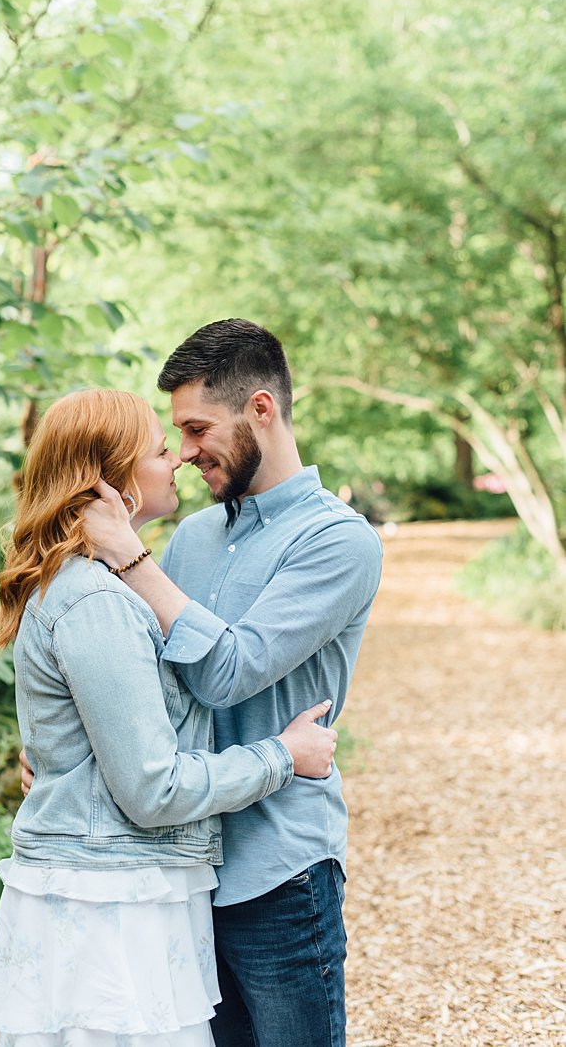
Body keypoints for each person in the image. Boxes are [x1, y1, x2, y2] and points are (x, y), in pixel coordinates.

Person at [0, 388, 338, 1047]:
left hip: (123, 888)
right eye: (159, 449)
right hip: (114, 902)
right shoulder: (97, 600)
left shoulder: (103, 585)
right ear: (110, 482)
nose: (175, 460)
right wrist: (284, 756)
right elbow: (153, 787)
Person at [73, 319, 384, 1046]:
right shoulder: (193, 538)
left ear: (261, 411)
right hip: (180, 868)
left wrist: (129, 558)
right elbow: (143, 676)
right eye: (177, 435)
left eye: (196, 428)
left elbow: (228, 672)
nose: (182, 454)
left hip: (278, 872)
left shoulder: (338, 541)